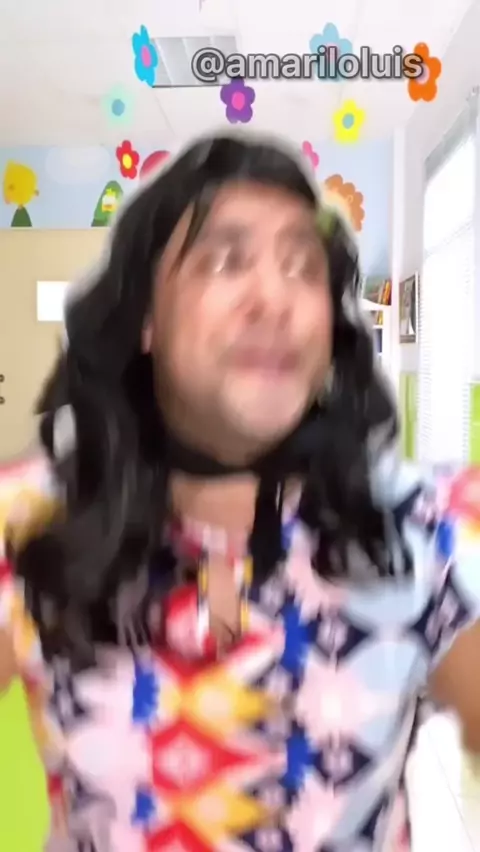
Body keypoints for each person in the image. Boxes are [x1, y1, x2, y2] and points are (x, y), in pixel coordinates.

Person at [1, 132, 480, 852]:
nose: (274, 298)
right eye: (225, 260)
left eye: (303, 268)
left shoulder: (424, 527)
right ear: (146, 319)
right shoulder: (28, 522)